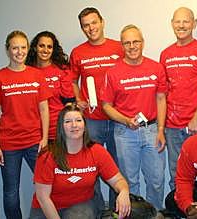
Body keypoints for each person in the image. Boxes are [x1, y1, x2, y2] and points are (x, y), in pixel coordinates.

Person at [0, 30, 50, 219]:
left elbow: (44, 110)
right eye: (15, 48)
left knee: (46, 187)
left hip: (35, 143)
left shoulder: (37, 76)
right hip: (9, 145)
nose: (19, 52)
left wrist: (44, 138)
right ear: (8, 50)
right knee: (11, 193)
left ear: (28, 49)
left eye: (23, 47)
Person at [101, 24, 167, 210]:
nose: (132, 46)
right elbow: (106, 106)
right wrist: (125, 120)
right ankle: (136, 215)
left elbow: (161, 98)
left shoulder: (156, 68)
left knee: (156, 180)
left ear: (142, 43)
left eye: (135, 41)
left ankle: (154, 214)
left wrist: (161, 130)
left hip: (152, 130)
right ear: (122, 46)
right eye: (127, 43)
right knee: (130, 182)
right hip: (124, 133)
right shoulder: (113, 72)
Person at [29, 104, 131, 219]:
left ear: (84, 124)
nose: (74, 125)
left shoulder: (97, 151)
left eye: (78, 120)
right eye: (68, 121)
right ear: (61, 127)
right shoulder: (47, 155)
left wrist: (123, 191)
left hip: (81, 205)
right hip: (47, 206)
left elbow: (118, 180)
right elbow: (43, 198)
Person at [70, 7, 124, 211]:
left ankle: (116, 211)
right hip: (92, 120)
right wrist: (78, 97)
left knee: (116, 169)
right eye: (86, 25)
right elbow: (73, 80)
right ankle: (98, 210)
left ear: (102, 22)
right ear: (82, 28)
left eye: (94, 22)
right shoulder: (78, 52)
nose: (90, 28)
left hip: (119, 118)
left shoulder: (118, 47)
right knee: (91, 168)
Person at [160, 7, 197, 190]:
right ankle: (179, 212)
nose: (181, 25)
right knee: (176, 176)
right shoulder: (165, 54)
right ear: (172, 24)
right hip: (172, 127)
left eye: (186, 21)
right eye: (178, 21)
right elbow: (163, 92)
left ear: (194, 24)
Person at [26, 31, 75, 141]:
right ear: (34, 48)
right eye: (41, 46)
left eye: (49, 47)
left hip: (58, 130)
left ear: (53, 50)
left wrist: (67, 128)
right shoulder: (26, 71)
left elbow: (69, 103)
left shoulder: (62, 70)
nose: (45, 50)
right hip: (33, 131)